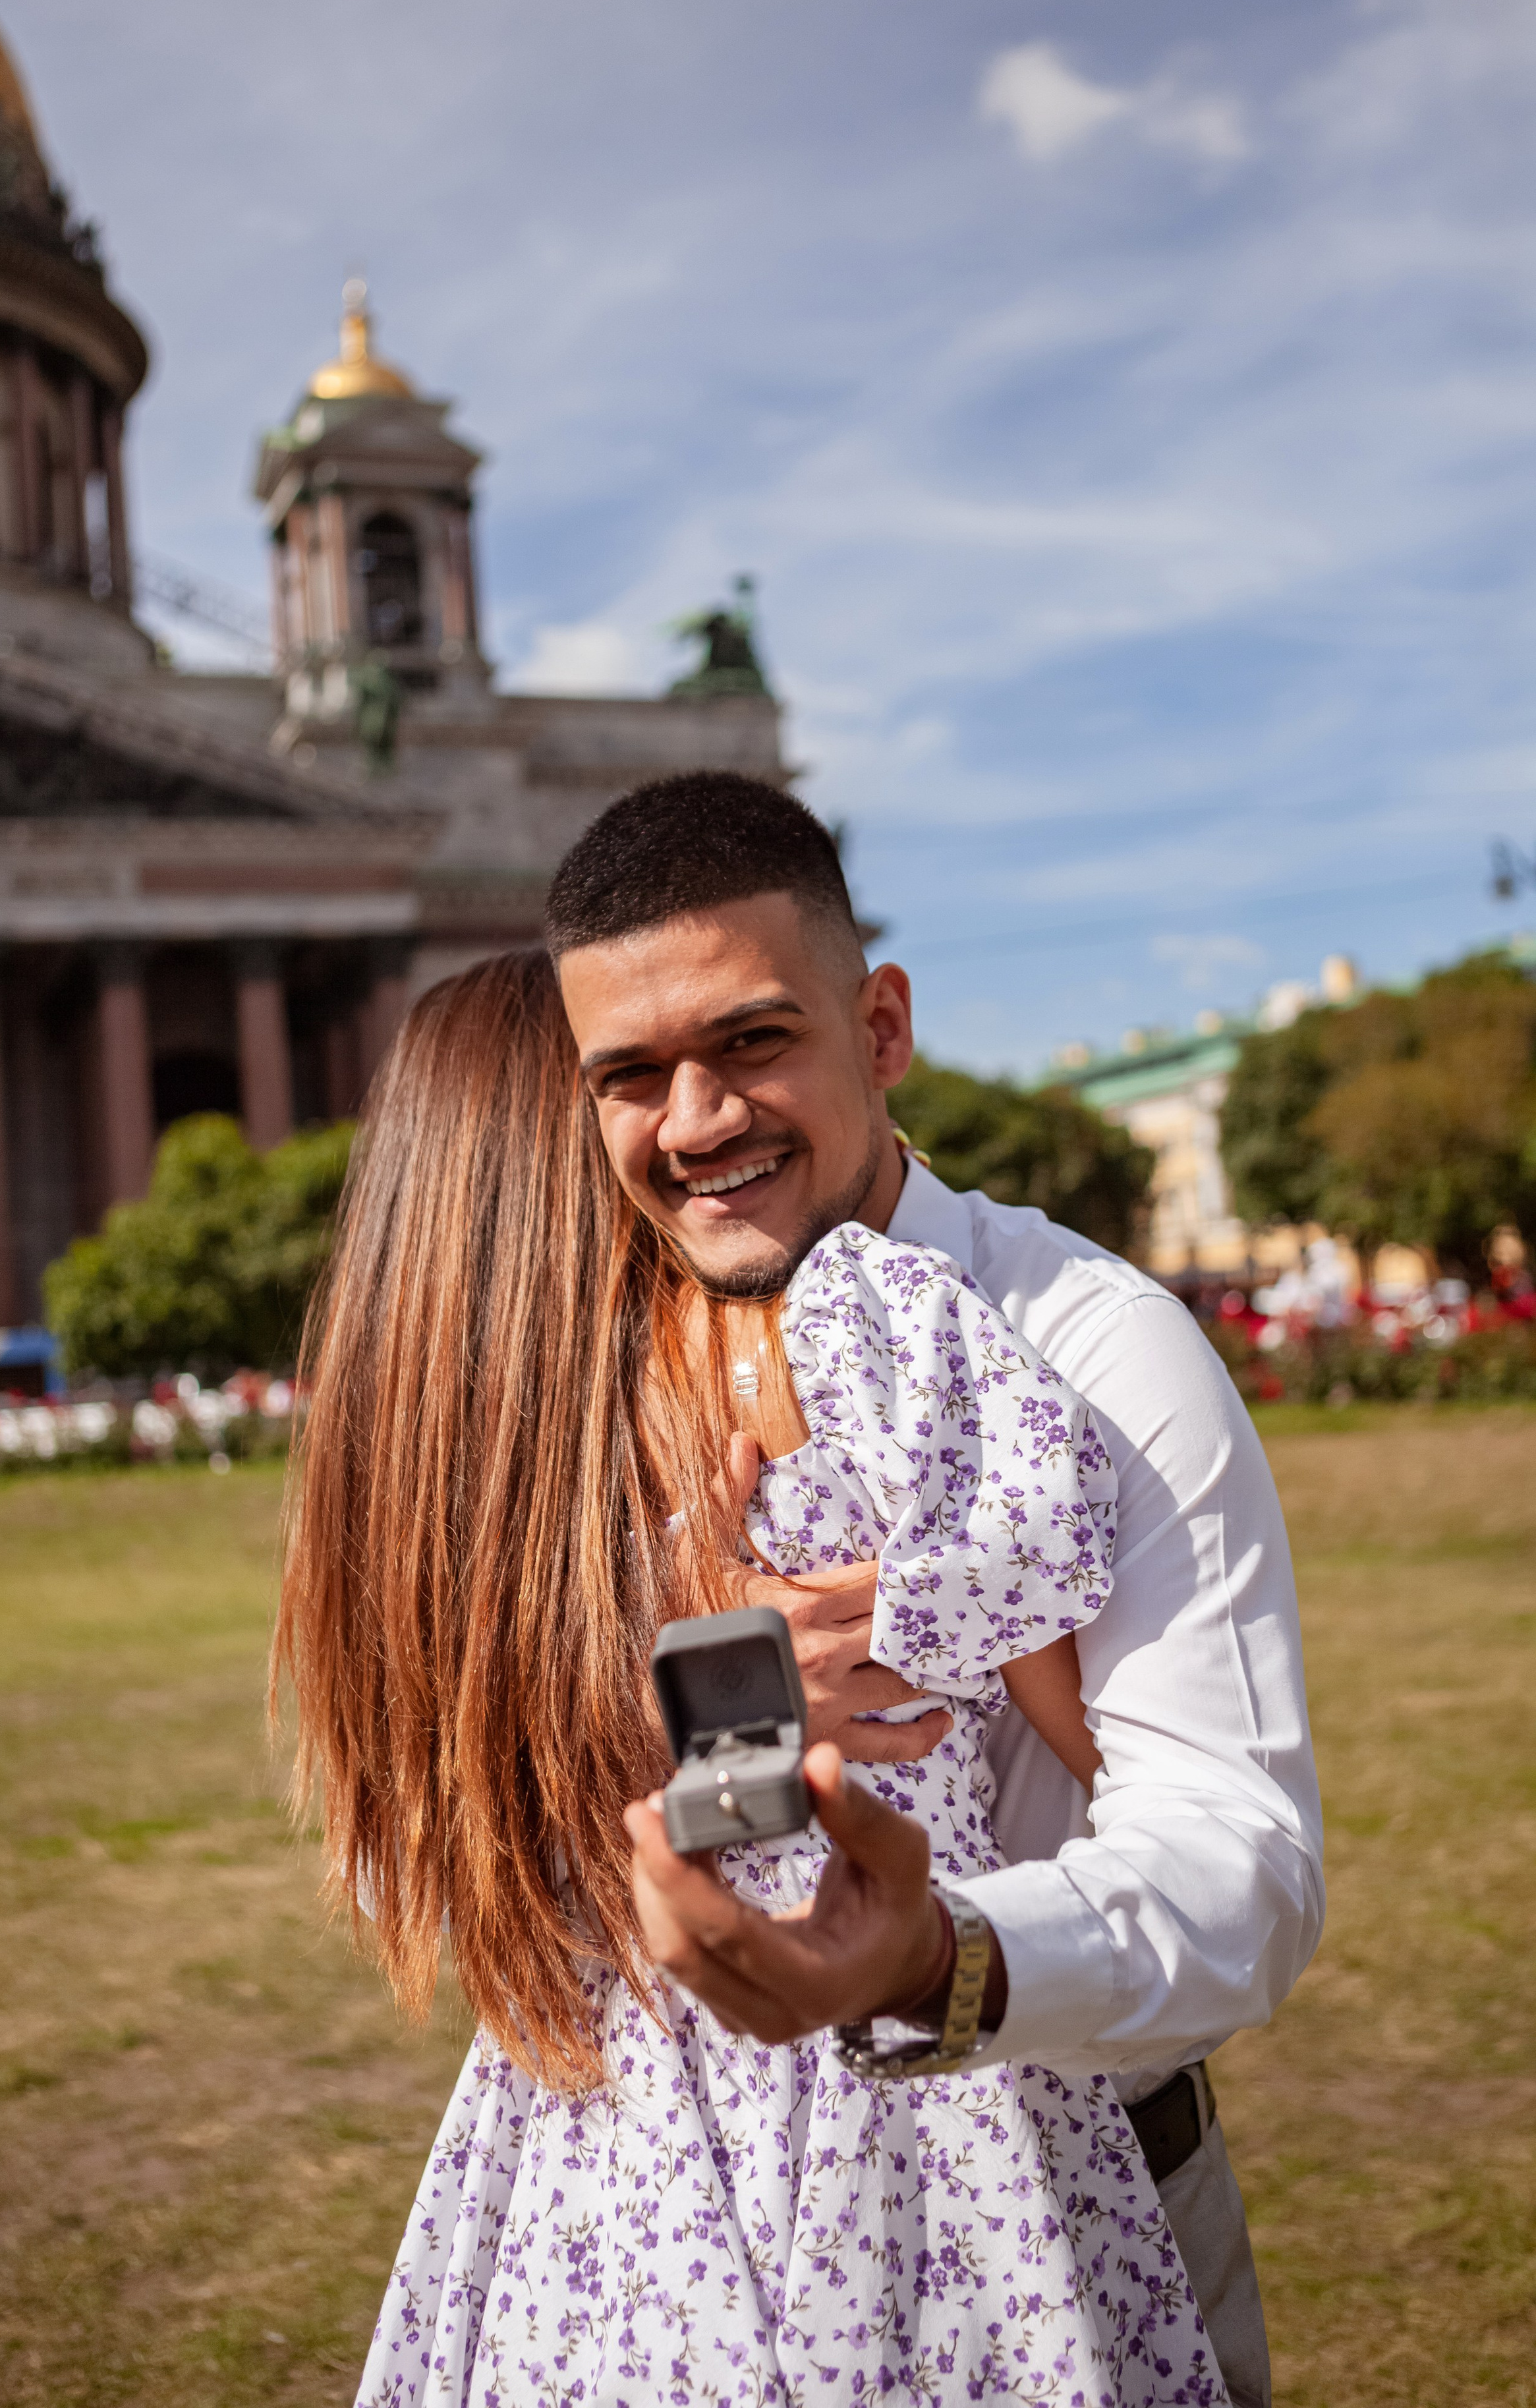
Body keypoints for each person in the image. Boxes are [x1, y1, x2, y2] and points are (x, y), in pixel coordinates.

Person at [277, 946, 1228, 2405]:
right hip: (882, 2133)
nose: (684, 1132)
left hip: (576, 2185)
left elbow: (399, 1882)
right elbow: (1119, 1758)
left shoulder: (424, 1490)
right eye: (628, 1082)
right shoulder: (800, 1363)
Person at [546, 772, 1324, 2408]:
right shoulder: (602, 1372)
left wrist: (928, 1957)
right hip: (712, 2240)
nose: (693, 1121)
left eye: (751, 1042)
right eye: (630, 1074)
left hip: (1085, 2204)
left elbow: (1232, 1871)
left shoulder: (1099, 1352)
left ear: (879, 1026)